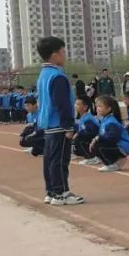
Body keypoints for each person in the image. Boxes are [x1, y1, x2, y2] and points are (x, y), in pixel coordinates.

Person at [35, 36, 83, 206]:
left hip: (48, 124)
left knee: (49, 159)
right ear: (55, 55)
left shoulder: (43, 75)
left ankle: (50, 191)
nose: (65, 55)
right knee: (60, 160)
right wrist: (68, 125)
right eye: (63, 52)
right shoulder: (58, 76)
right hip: (59, 126)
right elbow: (62, 104)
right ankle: (61, 192)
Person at [91, 95, 129, 172]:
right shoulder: (105, 120)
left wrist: (98, 138)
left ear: (109, 108)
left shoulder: (111, 122)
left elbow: (113, 138)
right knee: (96, 144)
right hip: (116, 146)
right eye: (97, 106)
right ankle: (112, 162)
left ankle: (113, 163)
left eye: (100, 106)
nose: (97, 109)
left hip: (122, 148)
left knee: (98, 145)